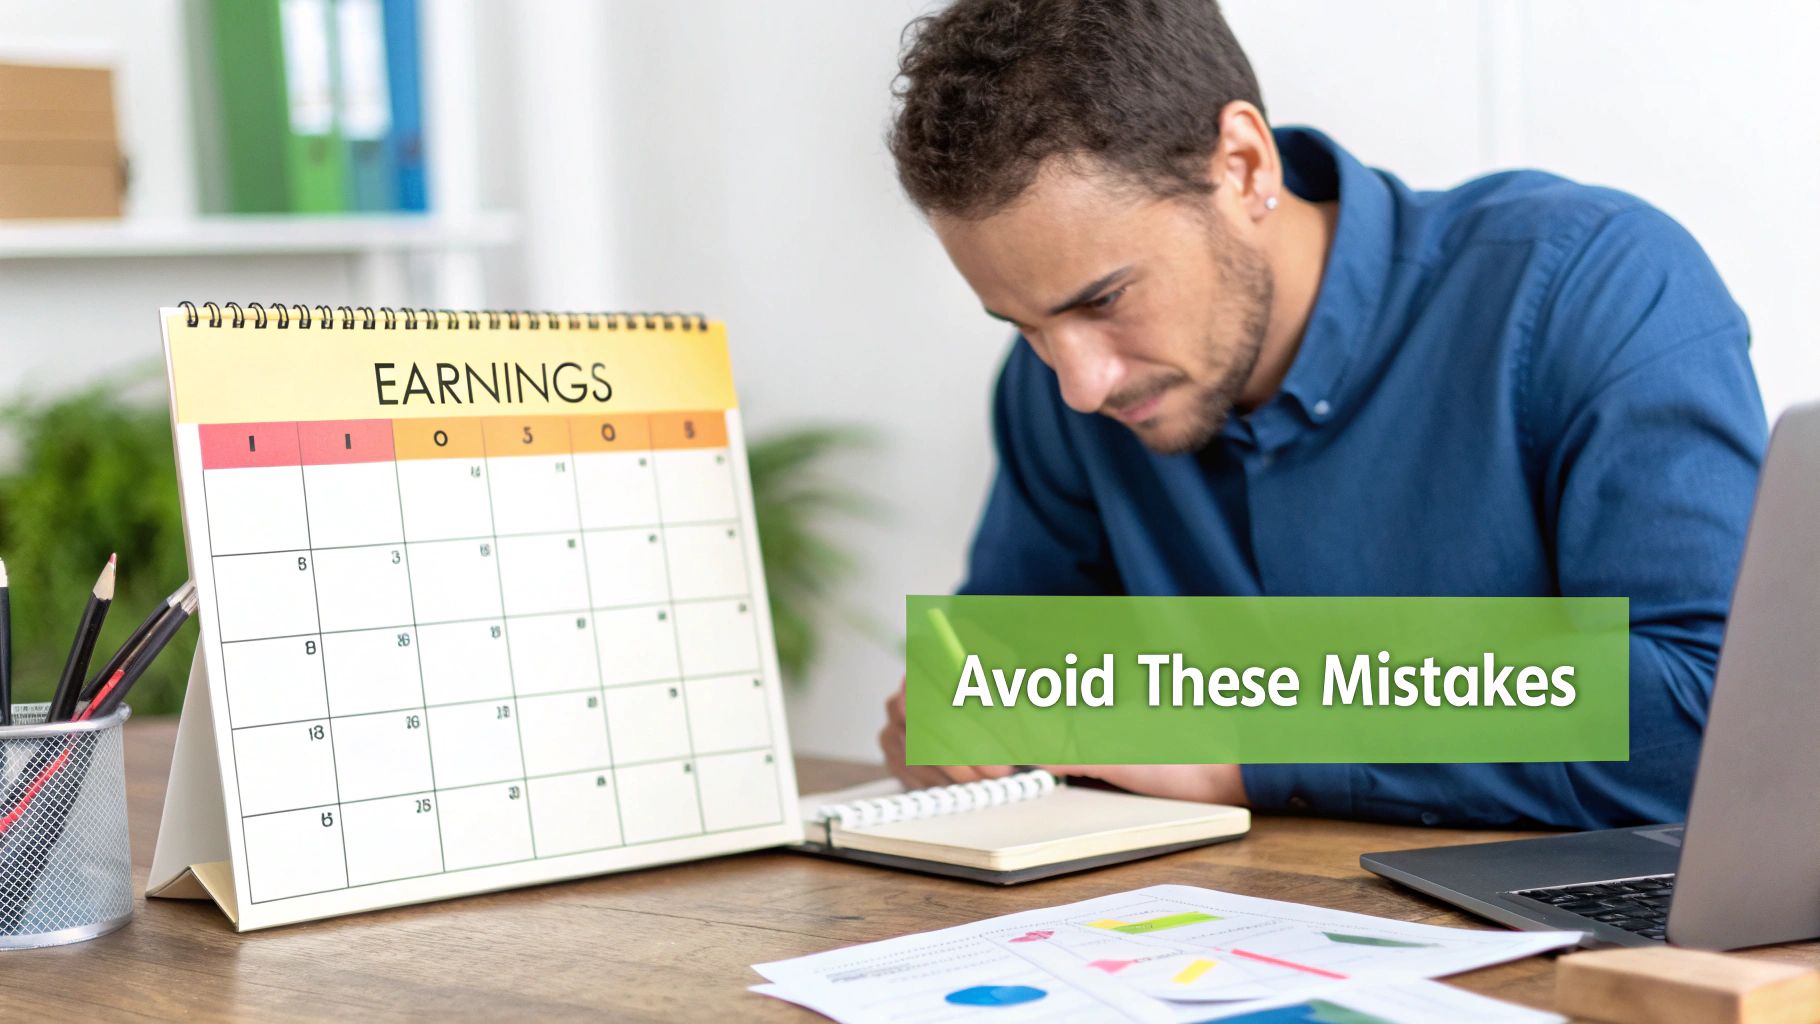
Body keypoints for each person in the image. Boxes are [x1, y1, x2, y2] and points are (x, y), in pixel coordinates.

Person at [875, 0, 1766, 829]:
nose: (1079, 384)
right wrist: (964, 717)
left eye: (1103, 300)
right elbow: (1021, 681)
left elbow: (1720, 718)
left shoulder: (1593, 286)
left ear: (1244, 167)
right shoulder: (1055, 388)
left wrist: (1252, 749)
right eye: (1024, 325)